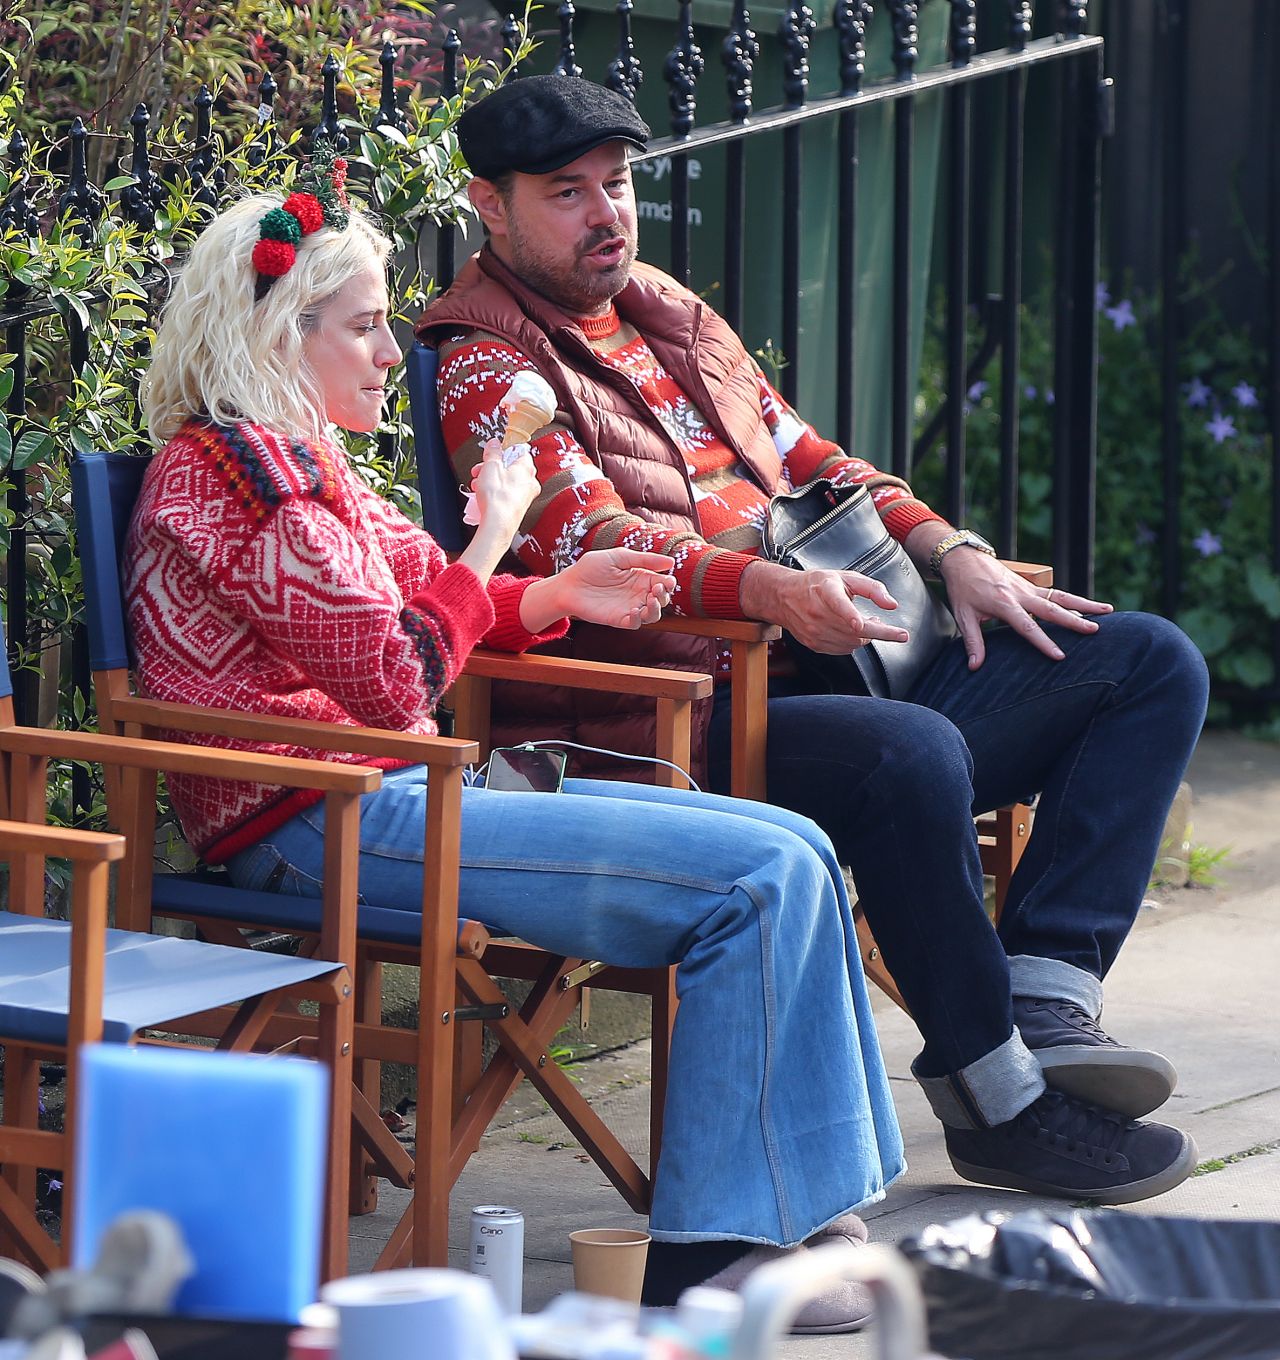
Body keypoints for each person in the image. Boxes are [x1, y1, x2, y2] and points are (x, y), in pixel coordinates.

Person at [123, 153, 905, 1328]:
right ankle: (714, 1254)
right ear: (282, 335)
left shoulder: (302, 461)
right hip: (313, 820)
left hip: (391, 793)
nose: (392, 355)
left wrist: (555, 594)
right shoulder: (246, 477)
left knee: (790, 842)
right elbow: (395, 676)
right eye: (366, 329)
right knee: (750, 877)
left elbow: (418, 604)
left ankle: (800, 1211)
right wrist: (496, 540)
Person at [417, 74, 1212, 1207]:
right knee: (908, 757)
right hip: (667, 723)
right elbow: (587, 545)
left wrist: (949, 552)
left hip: (836, 669)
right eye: (565, 193)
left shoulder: (665, 313)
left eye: (619, 183)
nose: (607, 214)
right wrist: (767, 591)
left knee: (1143, 661)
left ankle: (1041, 995)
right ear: (490, 209)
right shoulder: (488, 365)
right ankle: (1001, 1105)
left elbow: (817, 465)